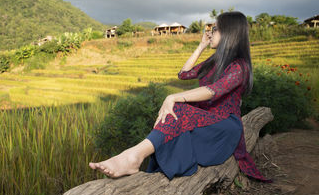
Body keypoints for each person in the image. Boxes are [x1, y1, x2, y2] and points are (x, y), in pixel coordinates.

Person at [89, 11, 271, 183]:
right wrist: (201, 46)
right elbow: (184, 74)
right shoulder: (216, 60)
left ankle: (133, 157)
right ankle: (133, 157)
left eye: (215, 29)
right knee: (175, 111)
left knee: (177, 107)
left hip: (223, 127)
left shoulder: (239, 66)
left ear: (229, 33)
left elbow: (213, 90)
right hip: (206, 121)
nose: (211, 32)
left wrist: (173, 97)